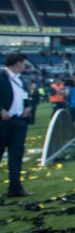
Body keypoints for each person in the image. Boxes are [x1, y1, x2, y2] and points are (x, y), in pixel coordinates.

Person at [0, 53, 34, 197]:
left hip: (19, 121)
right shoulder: (2, 77)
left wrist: (27, 107)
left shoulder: (21, 80)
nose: (25, 66)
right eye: (24, 63)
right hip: (3, 122)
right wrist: (1, 110)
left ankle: (15, 188)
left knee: (16, 155)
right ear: (18, 63)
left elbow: (26, 96)